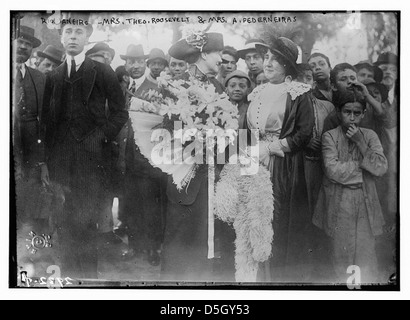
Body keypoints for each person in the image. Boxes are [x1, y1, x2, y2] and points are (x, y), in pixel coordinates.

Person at [42, 16, 128, 279]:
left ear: (87, 37)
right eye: (68, 31)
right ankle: (69, 277)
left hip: (93, 160)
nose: (73, 36)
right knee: (65, 221)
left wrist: (100, 137)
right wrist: (45, 161)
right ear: (61, 37)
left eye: (79, 31)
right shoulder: (53, 76)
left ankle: (88, 279)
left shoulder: (101, 72)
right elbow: (46, 123)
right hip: (60, 160)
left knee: (88, 219)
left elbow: (119, 113)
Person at [161, 32, 235, 282]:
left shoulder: (216, 87)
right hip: (185, 174)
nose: (222, 60)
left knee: (205, 239)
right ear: (204, 54)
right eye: (218, 54)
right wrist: (198, 140)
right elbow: (166, 131)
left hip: (210, 176)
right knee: (181, 239)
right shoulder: (177, 85)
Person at [246, 37, 315, 282]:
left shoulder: (298, 93)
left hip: (282, 165)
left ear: (287, 65)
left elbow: (304, 133)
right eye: (266, 57)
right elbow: (249, 131)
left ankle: (277, 281)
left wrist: (272, 148)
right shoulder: (258, 91)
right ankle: (254, 276)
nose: (268, 62)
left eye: (275, 59)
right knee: (253, 219)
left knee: (276, 218)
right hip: (254, 162)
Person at [313, 90, 388, 283]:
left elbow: (380, 168)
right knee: (341, 251)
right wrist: (366, 169)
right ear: (339, 112)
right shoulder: (330, 136)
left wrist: (361, 143)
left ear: (363, 113)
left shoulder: (369, 136)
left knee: (365, 251)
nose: (352, 118)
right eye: (347, 112)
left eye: (357, 113)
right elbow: (333, 170)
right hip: (339, 200)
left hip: (366, 200)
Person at [13, 25, 51, 273]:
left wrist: (42, 159)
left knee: (36, 207)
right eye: (19, 41)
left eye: (28, 44)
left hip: (33, 155)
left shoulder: (38, 78)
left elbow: (45, 120)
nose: (24, 46)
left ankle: (37, 259)